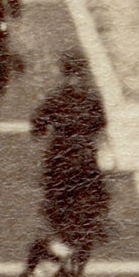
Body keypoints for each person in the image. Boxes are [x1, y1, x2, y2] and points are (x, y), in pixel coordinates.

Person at [31, 50, 111, 261]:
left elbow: (37, 126)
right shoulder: (93, 98)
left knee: (54, 201)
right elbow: (101, 123)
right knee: (95, 196)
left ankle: (59, 240)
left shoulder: (55, 98)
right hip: (84, 157)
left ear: (63, 72)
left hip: (60, 158)